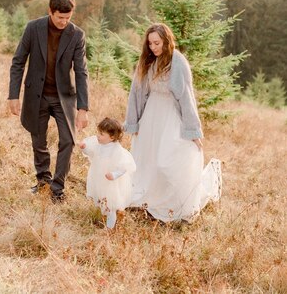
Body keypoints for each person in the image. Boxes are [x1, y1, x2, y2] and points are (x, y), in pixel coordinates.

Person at [124, 23, 222, 222]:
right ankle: (150, 201)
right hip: (151, 116)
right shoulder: (147, 61)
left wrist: (193, 131)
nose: (153, 47)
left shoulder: (178, 62)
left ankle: (172, 204)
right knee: (147, 159)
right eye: (150, 43)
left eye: (157, 43)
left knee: (165, 162)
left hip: (170, 116)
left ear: (167, 41)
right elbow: (137, 93)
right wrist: (134, 123)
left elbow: (186, 97)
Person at [8, 0, 89, 202]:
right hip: (37, 95)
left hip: (64, 97)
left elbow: (81, 72)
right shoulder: (33, 28)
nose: (64, 22)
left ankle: (57, 188)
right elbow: (18, 61)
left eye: (68, 18)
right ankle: (43, 180)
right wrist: (13, 95)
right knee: (38, 139)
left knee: (68, 140)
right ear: (50, 12)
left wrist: (83, 108)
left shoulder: (77, 35)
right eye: (60, 17)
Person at [80, 117, 136, 229]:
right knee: (102, 200)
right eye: (98, 133)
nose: (97, 136)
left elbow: (124, 166)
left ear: (112, 137)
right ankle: (105, 218)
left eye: (101, 134)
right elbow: (91, 151)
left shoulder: (117, 150)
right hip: (99, 178)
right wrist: (84, 147)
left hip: (111, 182)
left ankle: (109, 229)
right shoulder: (98, 144)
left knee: (110, 205)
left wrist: (114, 174)